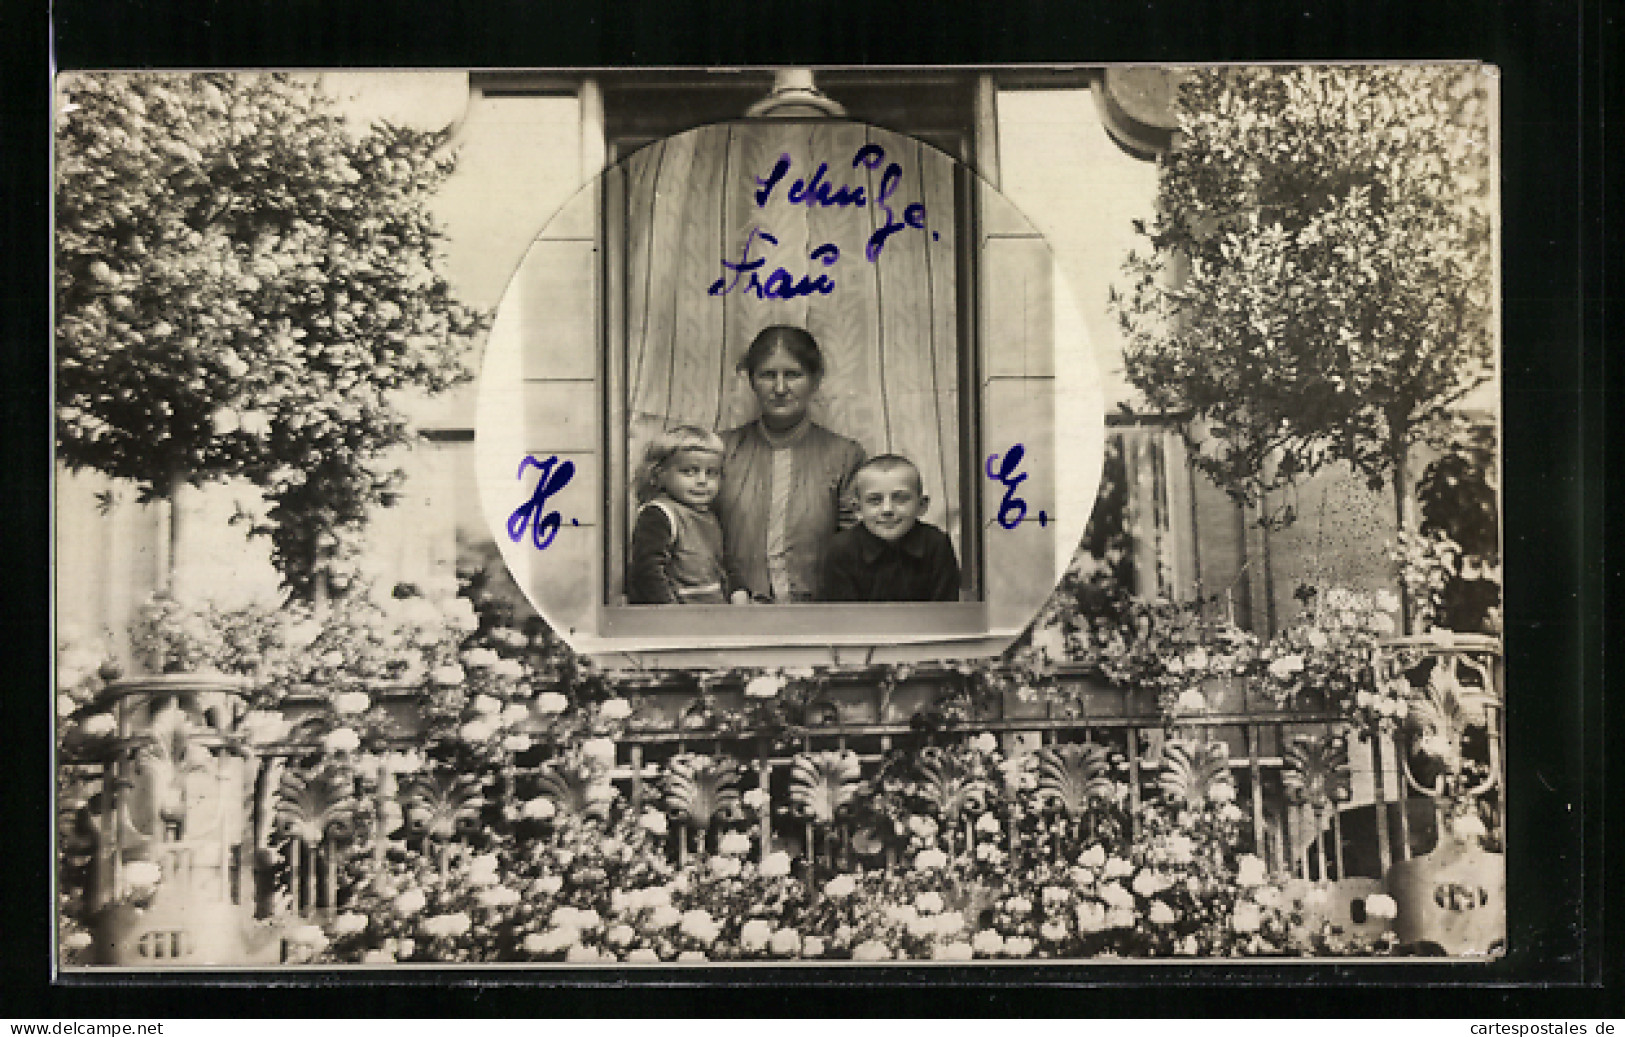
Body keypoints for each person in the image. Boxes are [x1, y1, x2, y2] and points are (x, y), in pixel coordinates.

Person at [714, 326, 866, 603]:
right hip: (734, 612)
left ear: (815, 380)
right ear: (751, 380)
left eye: (793, 375)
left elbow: (853, 548)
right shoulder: (720, 451)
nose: (780, 388)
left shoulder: (844, 455)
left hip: (819, 615)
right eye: (768, 375)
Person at [625, 426, 749, 605]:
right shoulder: (659, 514)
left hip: (711, 614)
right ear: (658, 476)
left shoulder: (708, 516)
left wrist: (738, 590)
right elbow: (648, 571)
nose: (702, 481)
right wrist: (670, 609)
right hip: (676, 619)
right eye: (689, 471)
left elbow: (723, 562)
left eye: (711, 473)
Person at [819, 454, 961, 602]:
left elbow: (945, 613)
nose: (887, 509)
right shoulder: (842, 550)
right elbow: (841, 618)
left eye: (900, 498)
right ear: (857, 509)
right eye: (875, 500)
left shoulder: (936, 545)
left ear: (921, 505)